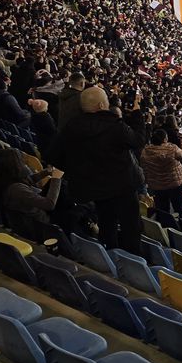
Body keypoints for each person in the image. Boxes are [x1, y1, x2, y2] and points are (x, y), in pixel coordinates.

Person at [48, 86, 143, 253]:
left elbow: (54, 157)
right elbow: (138, 141)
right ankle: (134, 261)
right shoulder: (115, 127)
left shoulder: (71, 127)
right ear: (100, 105)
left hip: (95, 189)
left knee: (107, 224)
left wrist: (82, 171)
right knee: (131, 227)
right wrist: (137, 115)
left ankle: (111, 255)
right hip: (123, 187)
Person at [0, 148, 63, 243]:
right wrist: (56, 179)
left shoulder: (2, 181)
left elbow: (27, 180)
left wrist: (46, 172)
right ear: (14, 166)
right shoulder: (16, 190)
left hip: (26, 221)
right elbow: (49, 204)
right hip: (40, 224)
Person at [140, 128, 182, 216]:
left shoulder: (145, 151)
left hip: (157, 185)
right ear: (165, 139)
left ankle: (165, 226)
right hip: (174, 183)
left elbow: (145, 168)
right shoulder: (172, 149)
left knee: (162, 210)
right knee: (179, 208)